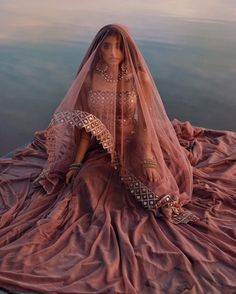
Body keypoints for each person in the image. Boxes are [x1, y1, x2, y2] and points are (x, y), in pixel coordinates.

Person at [0, 24, 235, 293]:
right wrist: (76, 162)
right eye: (106, 47)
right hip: (102, 148)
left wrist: (147, 156)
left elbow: (145, 124)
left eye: (118, 47)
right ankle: (90, 240)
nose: (112, 53)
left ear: (127, 50)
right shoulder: (89, 80)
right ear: (97, 49)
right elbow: (87, 128)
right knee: (85, 183)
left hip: (137, 142)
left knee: (155, 186)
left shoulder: (138, 79)